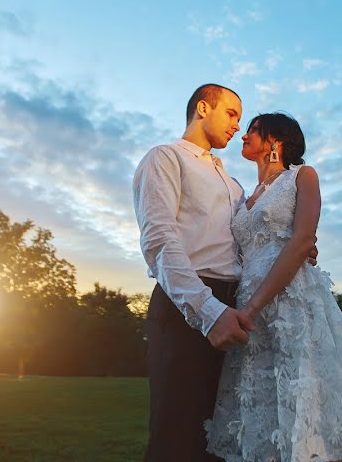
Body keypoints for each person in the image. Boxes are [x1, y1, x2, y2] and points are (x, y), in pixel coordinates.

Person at [205, 113, 342, 462]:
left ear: (276, 141)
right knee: (264, 404)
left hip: (290, 303)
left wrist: (251, 309)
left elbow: (302, 239)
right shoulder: (244, 197)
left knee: (309, 400)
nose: (243, 136)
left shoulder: (302, 176)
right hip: (250, 306)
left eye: (252, 130)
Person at [132, 84, 255, 462]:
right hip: (186, 305)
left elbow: (249, 245)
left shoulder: (234, 184)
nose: (238, 125)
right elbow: (159, 240)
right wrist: (208, 311)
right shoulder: (165, 158)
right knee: (179, 439)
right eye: (232, 113)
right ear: (203, 108)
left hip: (237, 310)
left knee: (225, 440)